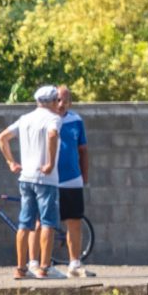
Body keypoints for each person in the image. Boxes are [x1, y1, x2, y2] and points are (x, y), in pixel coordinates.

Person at [0, 86, 65, 279]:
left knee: (24, 223)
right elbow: (52, 135)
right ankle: (44, 267)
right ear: (53, 102)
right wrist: (50, 163)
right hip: (46, 178)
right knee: (47, 222)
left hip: (25, 177)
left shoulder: (25, 119)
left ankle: (20, 268)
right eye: (57, 101)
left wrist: (11, 162)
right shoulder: (54, 119)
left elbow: (2, 138)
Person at [56, 86, 91, 276]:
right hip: (49, 180)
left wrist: (84, 176)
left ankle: (74, 263)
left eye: (64, 100)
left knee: (74, 221)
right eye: (57, 100)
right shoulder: (45, 120)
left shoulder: (76, 121)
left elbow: (83, 150)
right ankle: (38, 264)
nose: (61, 104)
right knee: (42, 223)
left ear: (70, 102)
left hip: (72, 179)